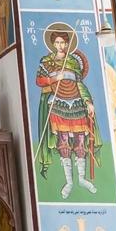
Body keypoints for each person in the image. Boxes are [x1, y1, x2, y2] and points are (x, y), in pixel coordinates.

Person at [34, 23, 100, 198]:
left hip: (76, 103)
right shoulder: (47, 62)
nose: (60, 46)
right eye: (57, 43)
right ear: (52, 44)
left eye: (63, 42)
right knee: (63, 142)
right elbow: (40, 81)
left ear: (67, 43)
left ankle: (81, 179)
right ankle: (69, 182)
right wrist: (55, 77)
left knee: (80, 142)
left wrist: (88, 102)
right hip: (58, 104)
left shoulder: (72, 61)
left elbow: (80, 84)